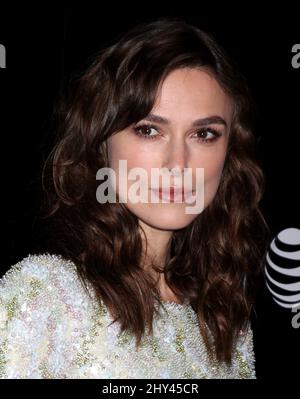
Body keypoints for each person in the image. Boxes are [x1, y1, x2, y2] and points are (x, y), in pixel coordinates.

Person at [0, 17, 270, 379]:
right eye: (149, 130)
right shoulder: (44, 297)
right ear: (101, 143)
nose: (178, 163)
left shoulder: (227, 326)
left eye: (204, 134)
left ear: (229, 152)